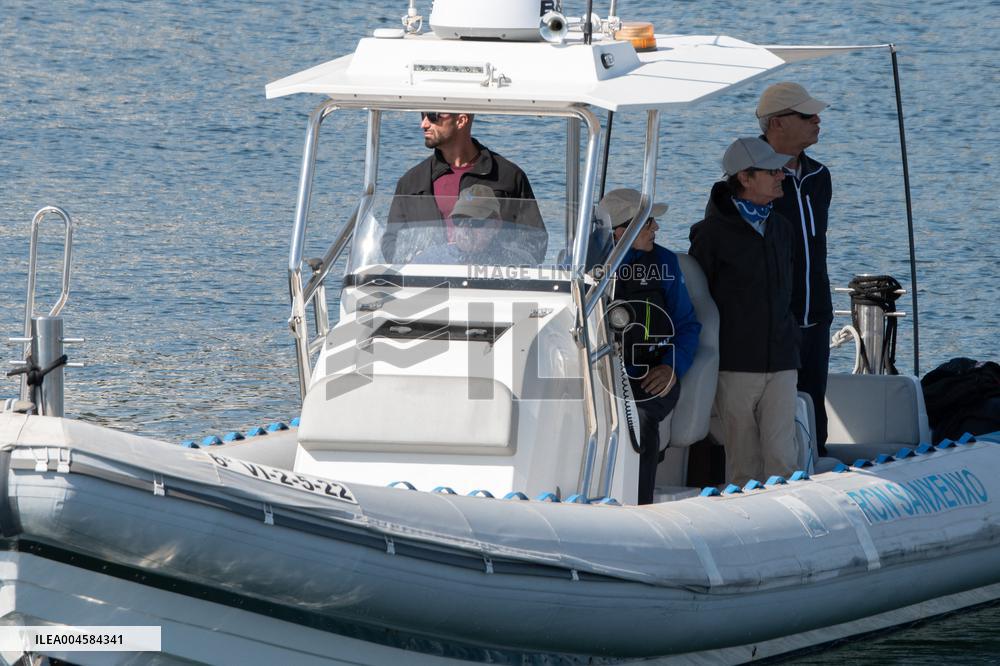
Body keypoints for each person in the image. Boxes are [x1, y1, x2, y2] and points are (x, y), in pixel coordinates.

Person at [688, 138, 801, 487]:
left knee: (784, 459)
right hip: (735, 365)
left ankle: (787, 517)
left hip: (782, 360)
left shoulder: (782, 228)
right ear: (745, 177)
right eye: (772, 171)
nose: (781, 176)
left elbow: (791, 292)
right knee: (743, 465)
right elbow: (698, 302)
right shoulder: (710, 235)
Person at [601, 188, 701, 505]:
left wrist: (672, 366)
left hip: (651, 375)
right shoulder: (585, 264)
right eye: (648, 222)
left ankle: (639, 503)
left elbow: (687, 326)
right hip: (599, 376)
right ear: (621, 231)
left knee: (640, 419)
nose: (656, 227)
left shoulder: (665, 263)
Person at [757, 82, 833, 456]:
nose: (817, 120)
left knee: (814, 403)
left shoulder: (819, 176)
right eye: (807, 115)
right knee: (773, 410)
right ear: (777, 123)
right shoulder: (750, 177)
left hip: (815, 314)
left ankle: (817, 461)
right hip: (772, 320)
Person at [385, 111, 546, 262]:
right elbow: (391, 242)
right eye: (423, 115)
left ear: (461, 120)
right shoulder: (412, 181)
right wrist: (416, 259)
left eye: (433, 116)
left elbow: (534, 240)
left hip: (491, 279)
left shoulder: (509, 176)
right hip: (428, 279)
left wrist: (498, 262)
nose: (424, 124)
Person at [412, 185, 538, 266]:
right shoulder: (429, 260)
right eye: (458, 221)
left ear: (496, 225)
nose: (465, 230)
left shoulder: (518, 262)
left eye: (475, 222)